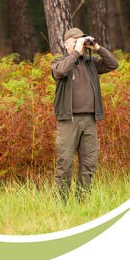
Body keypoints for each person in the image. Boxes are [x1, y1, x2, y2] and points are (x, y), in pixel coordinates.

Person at [50, 28, 118, 203]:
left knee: (89, 163)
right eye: (75, 41)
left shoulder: (91, 63)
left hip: (89, 120)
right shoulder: (59, 62)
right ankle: (61, 203)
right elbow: (60, 72)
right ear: (66, 44)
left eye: (81, 40)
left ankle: (83, 201)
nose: (80, 44)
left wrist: (97, 48)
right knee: (64, 163)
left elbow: (113, 64)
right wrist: (75, 53)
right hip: (68, 120)